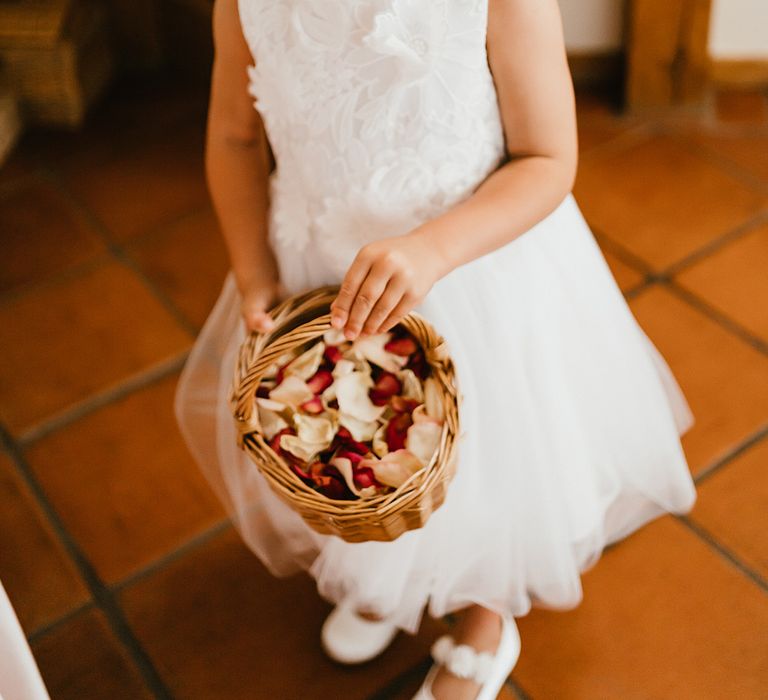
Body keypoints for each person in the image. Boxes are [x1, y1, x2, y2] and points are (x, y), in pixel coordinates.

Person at [174, 1, 698, 697]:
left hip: (474, 269)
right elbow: (235, 136)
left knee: (493, 466)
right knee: (351, 448)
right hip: (323, 272)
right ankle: (383, 580)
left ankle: (485, 620)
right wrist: (255, 271)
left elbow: (547, 158)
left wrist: (433, 248)